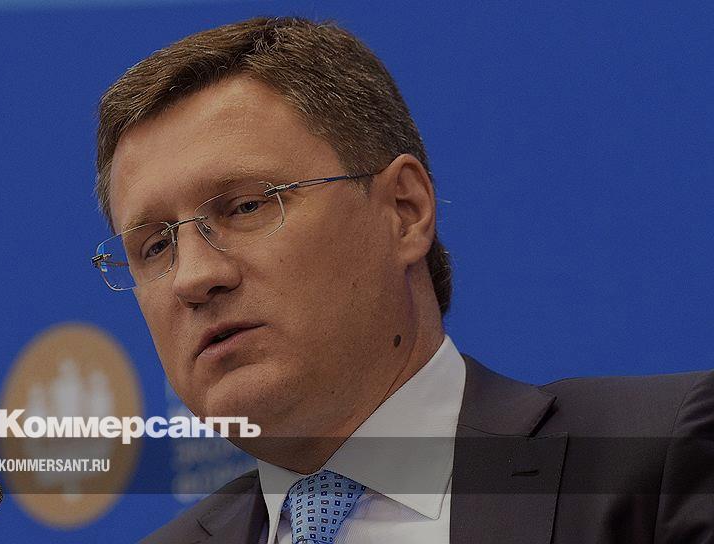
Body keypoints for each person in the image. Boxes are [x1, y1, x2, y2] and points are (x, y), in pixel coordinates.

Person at [90, 16, 714, 544]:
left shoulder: (656, 462)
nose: (194, 277)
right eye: (155, 245)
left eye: (247, 206)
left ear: (404, 211)